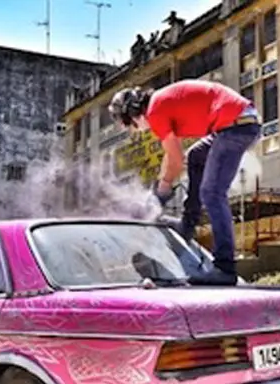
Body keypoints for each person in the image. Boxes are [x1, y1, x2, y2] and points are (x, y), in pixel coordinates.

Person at [108, 79, 260, 286]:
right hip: (239, 122)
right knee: (196, 155)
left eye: (129, 125)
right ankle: (188, 225)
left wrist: (161, 194)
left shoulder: (155, 111)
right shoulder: (159, 105)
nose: (134, 131)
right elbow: (171, 157)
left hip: (234, 127)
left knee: (212, 193)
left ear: (134, 113)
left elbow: (175, 160)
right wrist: (161, 186)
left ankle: (225, 268)